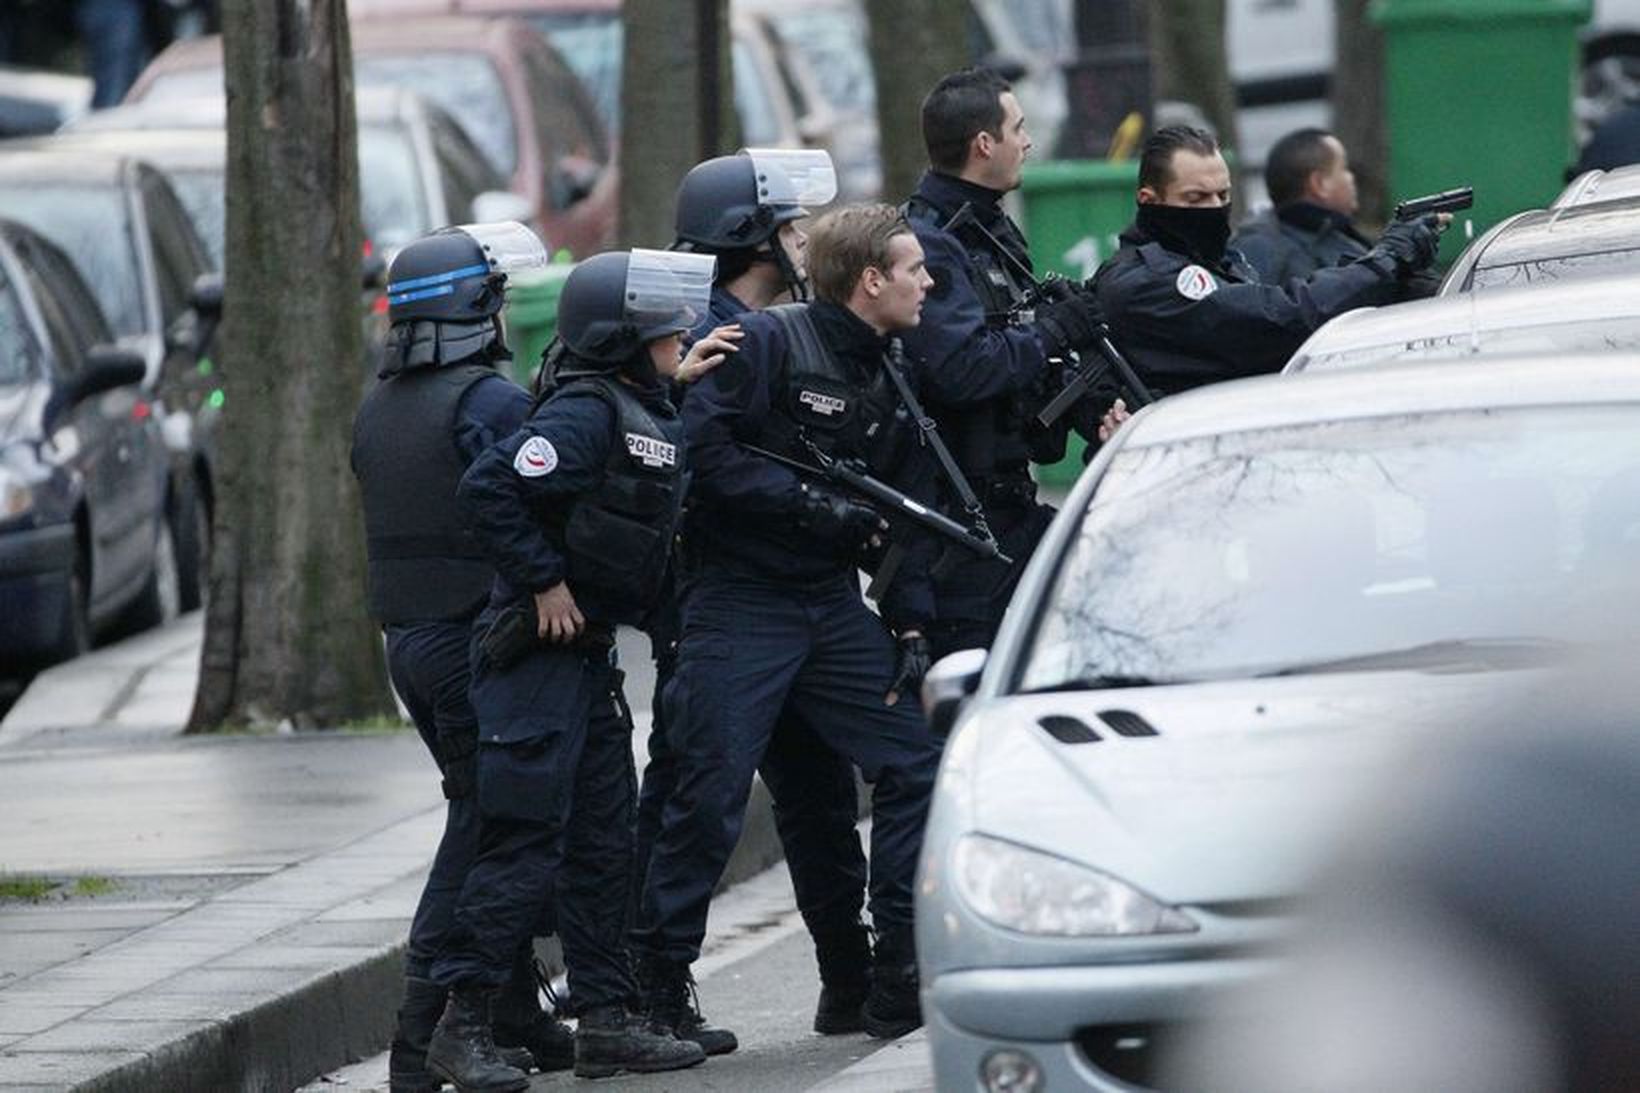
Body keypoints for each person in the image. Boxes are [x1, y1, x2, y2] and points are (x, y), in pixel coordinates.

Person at [631, 203, 944, 1046]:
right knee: (709, 794)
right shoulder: (766, 343)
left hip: (830, 604)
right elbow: (707, 458)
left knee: (916, 760)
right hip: (739, 600)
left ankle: (886, 972)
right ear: (871, 280)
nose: (928, 281)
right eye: (914, 268)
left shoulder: (894, 367)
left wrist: (912, 629)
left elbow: (906, 514)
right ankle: (652, 992)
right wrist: (812, 506)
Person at [424, 248, 729, 1088]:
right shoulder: (583, 413)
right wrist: (543, 578)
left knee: (604, 840)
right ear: (622, 336)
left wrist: (677, 383)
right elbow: (490, 487)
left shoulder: (634, 403)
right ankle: (464, 1023)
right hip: (534, 661)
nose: (682, 335)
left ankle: (606, 1018)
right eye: (666, 330)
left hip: (583, 660)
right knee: (525, 843)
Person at [350, 222, 577, 1092]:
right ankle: (422, 1038)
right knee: (492, 824)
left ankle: (514, 1011)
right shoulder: (486, 401)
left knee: (484, 813)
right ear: (475, 309)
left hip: (408, 642)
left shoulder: (381, 404)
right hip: (473, 641)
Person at [900, 67, 1109, 659]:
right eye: (1018, 128)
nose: (1029, 141)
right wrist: (1052, 330)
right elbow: (962, 370)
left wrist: (1089, 405)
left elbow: (1025, 356)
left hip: (1014, 502)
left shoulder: (991, 228)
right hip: (963, 527)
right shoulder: (928, 242)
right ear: (983, 144)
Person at [1093, 125, 1446, 399]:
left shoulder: (1213, 259)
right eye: (1196, 197)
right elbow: (1282, 316)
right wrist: (1383, 263)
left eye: (1223, 194)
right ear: (1149, 200)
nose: (1214, 208)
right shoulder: (1144, 281)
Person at [1232, 128, 1371, 283]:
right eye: (1344, 168)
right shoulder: (1262, 250)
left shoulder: (1329, 234)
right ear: (1319, 184)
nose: (1351, 178)